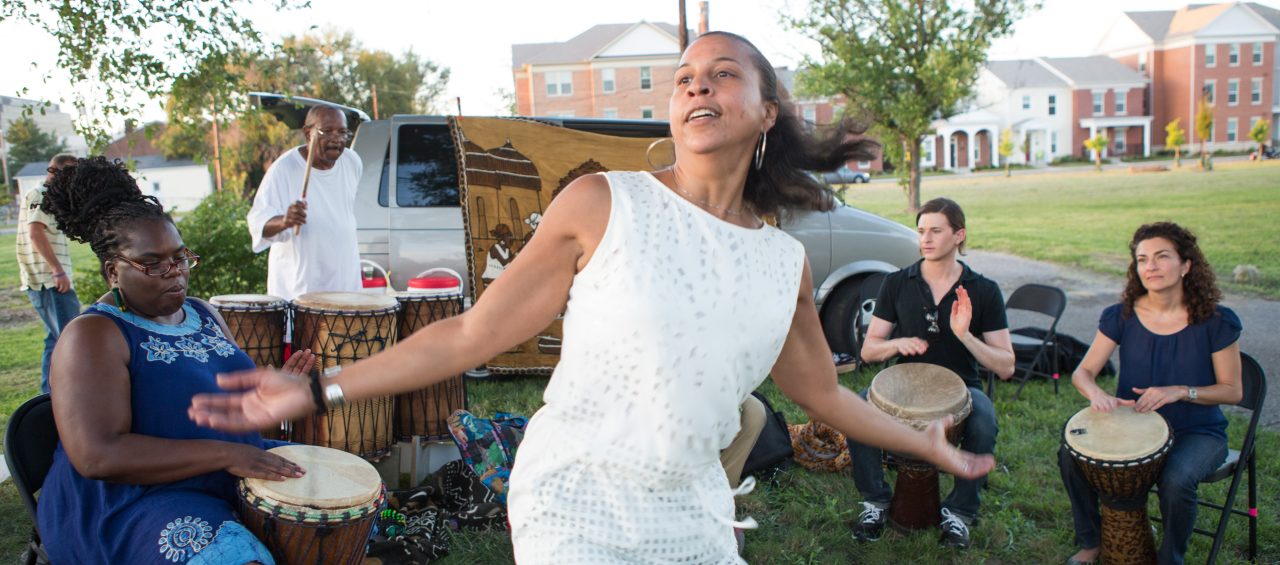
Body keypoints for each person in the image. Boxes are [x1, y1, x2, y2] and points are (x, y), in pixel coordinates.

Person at [191, 32, 995, 563]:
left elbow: (819, 392)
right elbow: (469, 335)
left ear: (766, 111)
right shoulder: (606, 201)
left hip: (694, 509)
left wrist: (919, 441)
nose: (696, 87)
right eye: (683, 79)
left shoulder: (784, 263)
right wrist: (316, 385)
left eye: (722, 74)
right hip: (576, 498)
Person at [35, 156, 315, 564]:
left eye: (180, 257)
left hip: (226, 470)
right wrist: (225, 454)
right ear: (112, 272)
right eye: (152, 264)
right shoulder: (94, 335)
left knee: (337, 494)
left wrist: (270, 401)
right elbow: (97, 455)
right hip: (133, 501)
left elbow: (224, 412)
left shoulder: (203, 313)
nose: (175, 273)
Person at [1060, 222, 1241, 565]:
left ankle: (1170, 558)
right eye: (1142, 259)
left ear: (1186, 264)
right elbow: (1082, 373)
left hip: (1198, 431)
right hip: (1133, 427)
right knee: (1070, 456)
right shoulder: (1122, 316)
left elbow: (1232, 391)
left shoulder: (1217, 321)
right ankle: (1091, 541)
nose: (1151, 266)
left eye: (1161, 257)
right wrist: (1097, 394)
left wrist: (1180, 391)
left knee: (1176, 480)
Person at [849, 197, 1015, 548]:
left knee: (984, 421)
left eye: (936, 231)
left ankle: (959, 513)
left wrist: (965, 335)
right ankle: (875, 501)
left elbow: (1006, 366)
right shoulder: (896, 282)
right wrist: (897, 344)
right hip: (903, 388)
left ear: (959, 235)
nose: (925, 238)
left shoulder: (984, 291)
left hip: (963, 387)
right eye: (921, 230)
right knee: (857, 412)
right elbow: (869, 349)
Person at [247, 105, 362, 301]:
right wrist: (285, 221)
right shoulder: (284, 169)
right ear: (308, 133)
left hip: (345, 285)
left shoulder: (352, 162)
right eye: (327, 131)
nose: (337, 138)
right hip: (300, 289)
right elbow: (258, 225)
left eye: (343, 132)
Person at [16, 153, 81, 393]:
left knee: (54, 341)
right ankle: (68, 394)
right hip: (48, 281)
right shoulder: (40, 194)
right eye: (70, 173)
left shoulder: (50, 197)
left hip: (49, 280)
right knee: (69, 340)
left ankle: (48, 395)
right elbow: (35, 233)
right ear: (55, 171)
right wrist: (57, 272)